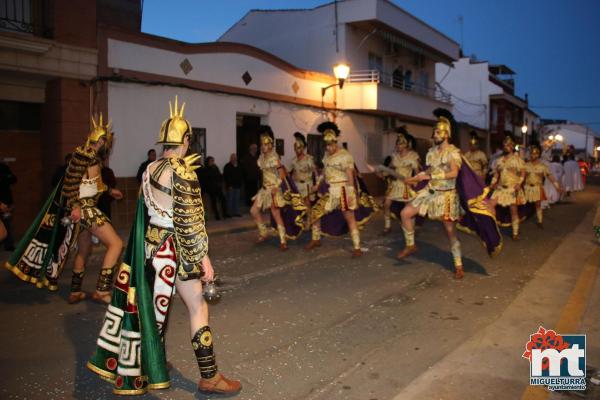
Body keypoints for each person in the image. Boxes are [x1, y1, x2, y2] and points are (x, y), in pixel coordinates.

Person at [87, 96, 241, 396]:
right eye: (188, 141)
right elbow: (190, 222)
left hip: (150, 249)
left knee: (157, 311)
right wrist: (204, 260)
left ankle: (151, 362)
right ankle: (209, 377)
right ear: (185, 140)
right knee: (198, 307)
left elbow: (145, 213)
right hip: (175, 251)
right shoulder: (182, 171)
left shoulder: (149, 169)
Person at [4, 114, 123, 304]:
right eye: (107, 142)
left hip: (83, 209)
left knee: (84, 250)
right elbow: (70, 183)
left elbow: (94, 185)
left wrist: (111, 191)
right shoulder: (84, 156)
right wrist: (75, 206)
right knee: (116, 244)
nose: (108, 146)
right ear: (101, 141)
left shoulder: (89, 157)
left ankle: (75, 291)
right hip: (85, 209)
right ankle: (102, 290)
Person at [397, 109, 466, 279]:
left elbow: (454, 173)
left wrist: (432, 175)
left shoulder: (452, 152)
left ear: (446, 133)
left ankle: (458, 264)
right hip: (430, 192)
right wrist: (415, 178)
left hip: (446, 195)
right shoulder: (432, 152)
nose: (434, 134)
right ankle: (411, 244)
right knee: (405, 213)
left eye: (437, 131)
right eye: (434, 131)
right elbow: (429, 169)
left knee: (450, 232)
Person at [305, 122, 377, 257]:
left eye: (330, 145)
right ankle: (316, 239)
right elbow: (324, 172)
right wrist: (317, 185)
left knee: (349, 218)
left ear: (335, 142)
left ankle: (357, 247)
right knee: (315, 212)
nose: (328, 148)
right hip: (330, 190)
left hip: (343, 190)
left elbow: (350, 175)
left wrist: (351, 193)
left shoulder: (345, 155)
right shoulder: (326, 155)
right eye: (326, 145)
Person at [251, 126, 306, 250]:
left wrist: (276, 186)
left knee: (276, 214)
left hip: (274, 189)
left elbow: (282, 174)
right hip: (264, 189)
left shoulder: (274, 158)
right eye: (262, 144)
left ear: (270, 145)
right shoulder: (261, 158)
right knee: (254, 210)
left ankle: (283, 241)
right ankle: (263, 233)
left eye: (266, 144)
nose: (263, 146)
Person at [376, 126, 420, 234]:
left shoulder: (413, 156)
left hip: (406, 186)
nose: (398, 146)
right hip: (395, 185)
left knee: (407, 209)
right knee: (386, 204)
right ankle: (387, 226)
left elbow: (418, 173)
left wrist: (416, 183)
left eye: (400, 143)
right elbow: (390, 169)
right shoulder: (394, 156)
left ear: (406, 144)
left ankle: (410, 229)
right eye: (397, 143)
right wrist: (382, 173)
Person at [490, 136, 526, 240]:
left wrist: (519, 183)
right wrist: (493, 183)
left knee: (513, 211)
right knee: (491, 206)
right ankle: (492, 230)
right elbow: (496, 174)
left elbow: (522, 173)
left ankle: (515, 233)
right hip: (500, 188)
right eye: (504, 145)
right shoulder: (499, 160)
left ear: (512, 146)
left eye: (508, 145)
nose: (506, 147)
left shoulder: (517, 160)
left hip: (512, 188)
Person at [524, 143, 561, 228]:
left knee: (538, 205)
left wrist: (557, 186)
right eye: (531, 154)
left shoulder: (542, 166)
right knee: (524, 204)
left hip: (537, 187)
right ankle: (522, 218)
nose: (532, 155)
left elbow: (550, 176)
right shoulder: (525, 165)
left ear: (538, 155)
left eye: (535, 154)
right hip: (527, 188)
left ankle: (539, 221)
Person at [289, 132, 317, 224]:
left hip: (307, 184)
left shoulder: (308, 158)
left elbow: (315, 171)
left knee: (307, 204)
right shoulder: (293, 160)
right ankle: (300, 221)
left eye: (298, 148)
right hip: (296, 185)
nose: (297, 150)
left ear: (302, 148)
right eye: (295, 148)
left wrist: (317, 184)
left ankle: (309, 221)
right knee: (297, 205)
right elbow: (289, 172)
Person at [0, 160, 17, 251]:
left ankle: (9, 244)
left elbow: (13, 179)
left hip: (6, 201)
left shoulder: (4, 168)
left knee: (6, 224)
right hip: (3, 202)